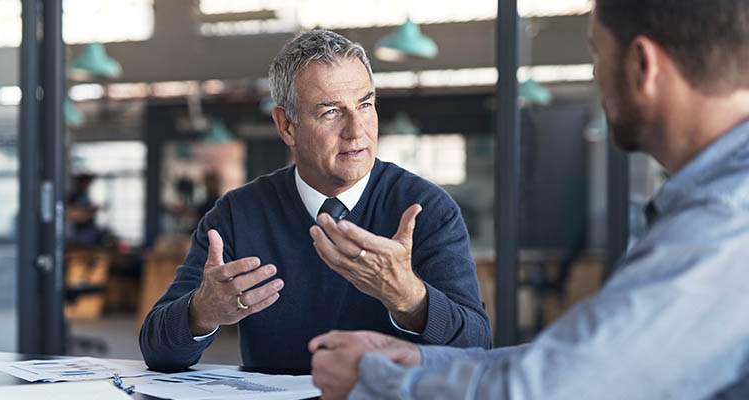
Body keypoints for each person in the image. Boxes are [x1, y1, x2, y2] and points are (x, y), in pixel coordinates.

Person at [309, 1, 749, 399]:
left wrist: (378, 382)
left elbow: (558, 388)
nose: (596, 75)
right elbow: (578, 359)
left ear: (641, 65)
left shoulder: (725, 219)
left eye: (598, 55)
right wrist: (423, 361)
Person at [139, 30, 492, 373]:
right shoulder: (236, 214)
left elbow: (478, 348)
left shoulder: (426, 209)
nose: (357, 131)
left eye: (365, 105)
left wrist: (411, 299)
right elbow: (157, 351)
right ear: (287, 126)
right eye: (331, 112)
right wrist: (201, 311)